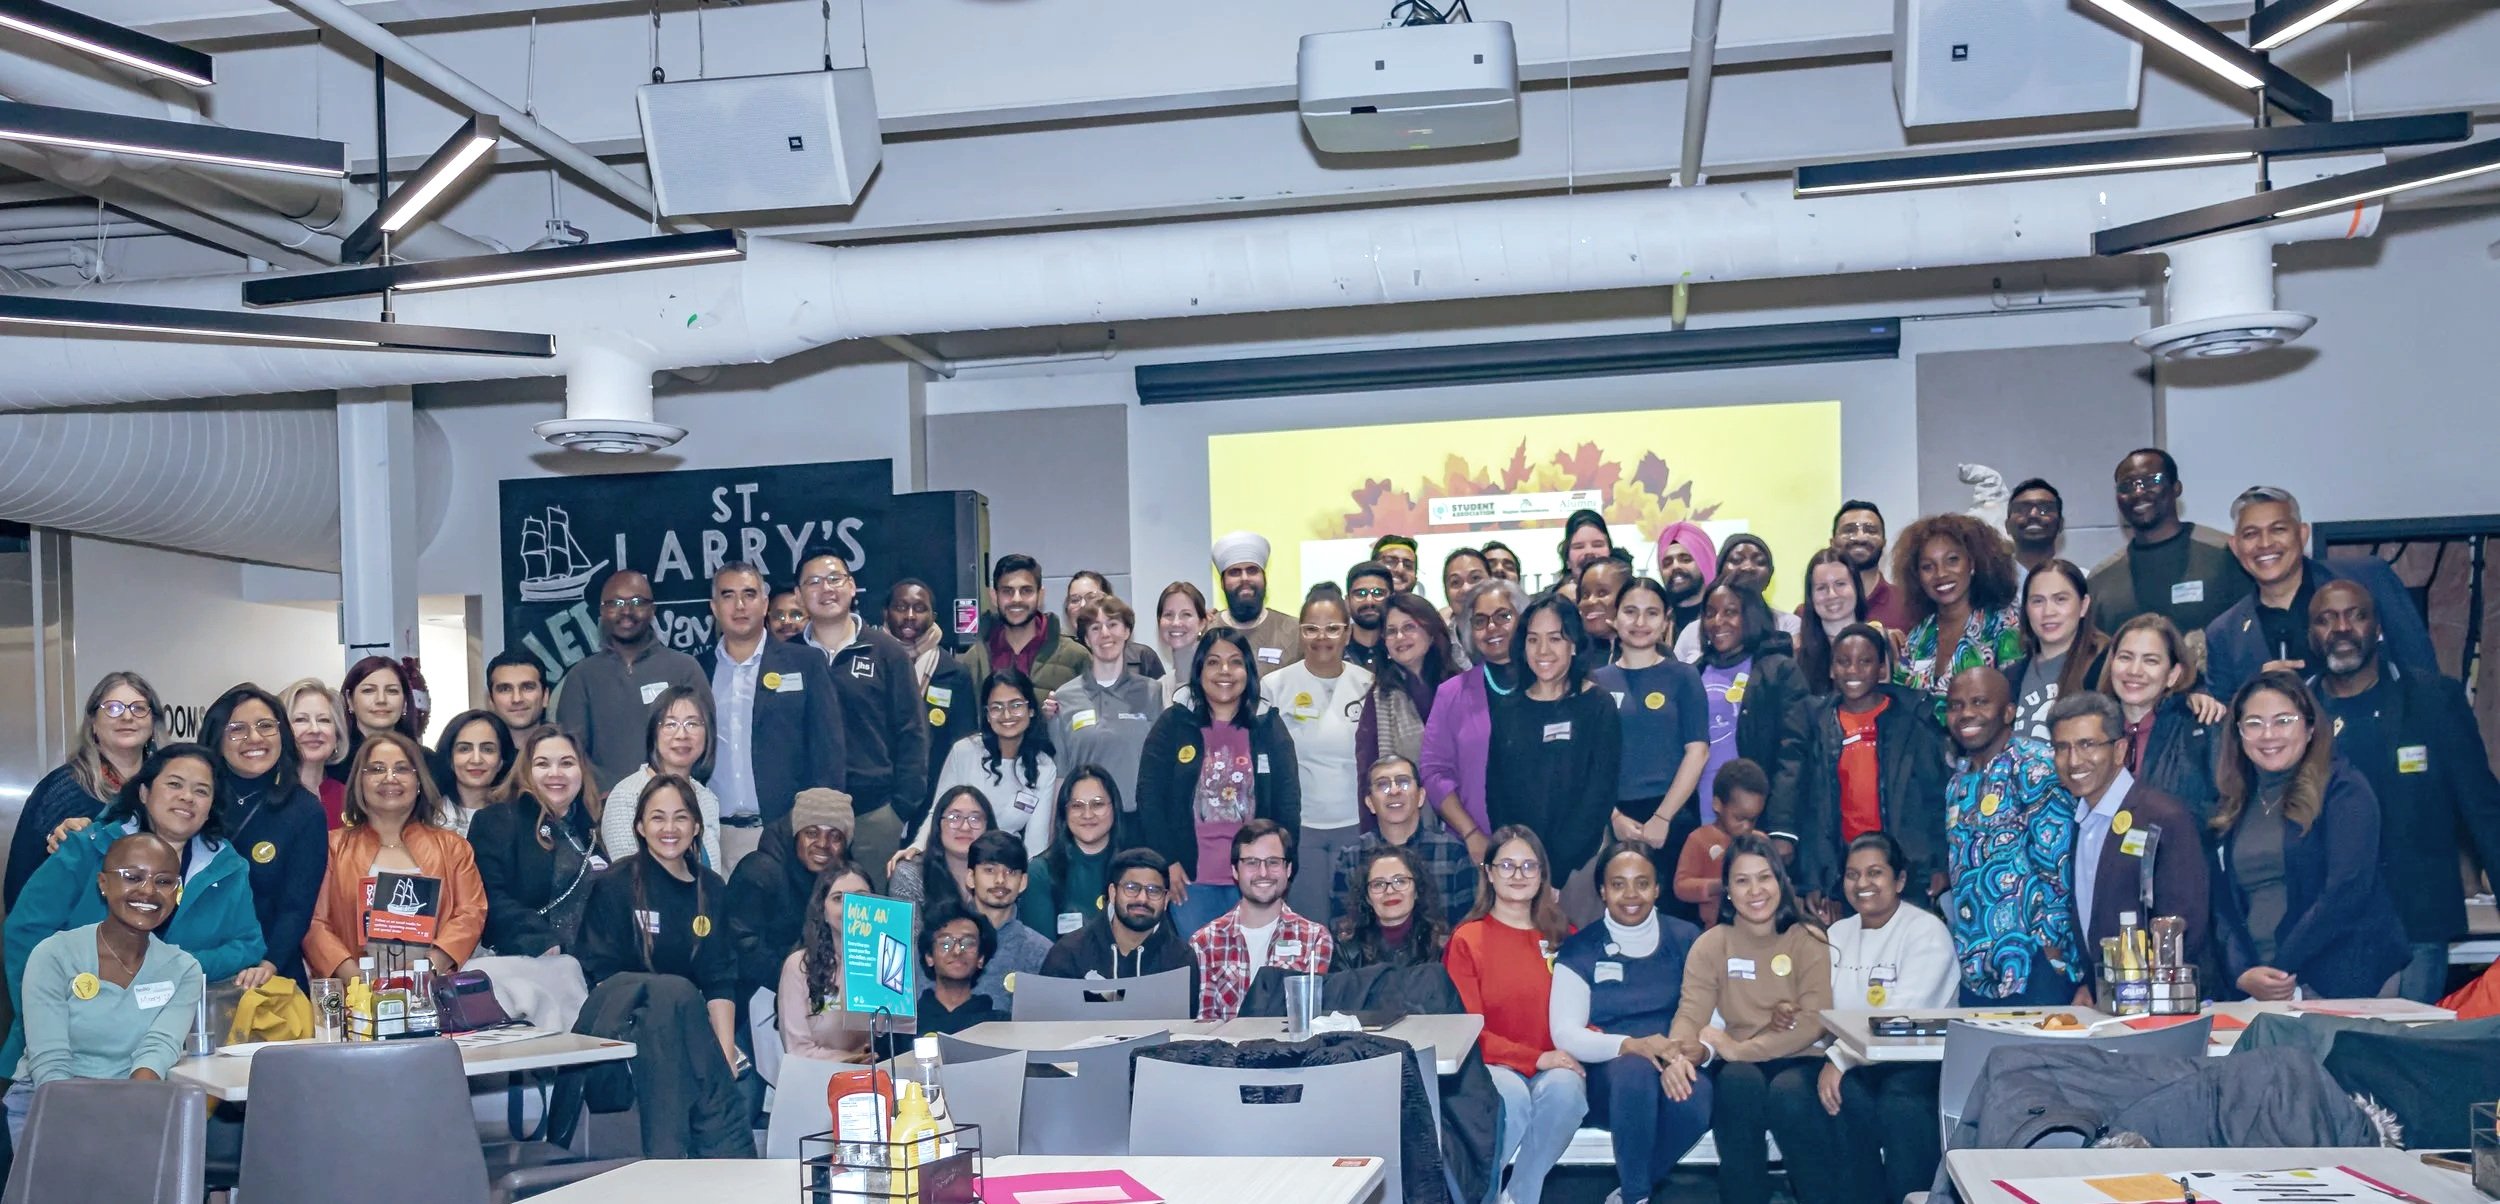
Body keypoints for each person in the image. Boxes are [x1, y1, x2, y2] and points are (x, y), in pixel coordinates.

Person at [4, 745, 269, 1081]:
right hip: (61, 1055)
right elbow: (25, 931)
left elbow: (248, 944)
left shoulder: (227, 867)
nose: (187, 797)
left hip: (170, 1058)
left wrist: (168, 967)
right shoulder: (89, 846)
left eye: (201, 791)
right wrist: (44, 1015)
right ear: (144, 792)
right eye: (174, 784)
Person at [2308, 581, 2500, 1001]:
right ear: (2311, 636)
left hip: (2416, 923)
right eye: (2326, 619)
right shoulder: (2295, 711)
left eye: (2355, 615)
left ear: (2377, 627)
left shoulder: (2434, 699)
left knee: (2405, 1053)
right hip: (2322, 928)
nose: (2341, 628)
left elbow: (2484, 810)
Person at [2209, 671, 2408, 1000]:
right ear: (2239, 734)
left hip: (2341, 977)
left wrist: (2283, 968)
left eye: (2283, 720)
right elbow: (2223, 906)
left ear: (2311, 726)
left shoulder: (2345, 790)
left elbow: (2346, 892)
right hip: (2262, 985)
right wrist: (2243, 971)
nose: (2268, 734)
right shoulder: (2234, 803)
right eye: (2254, 723)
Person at [1786, 832, 1957, 1204]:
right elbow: (1819, 1005)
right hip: (1854, 1062)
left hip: (1915, 1063)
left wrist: (1840, 1059)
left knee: (1899, 1107)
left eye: (1875, 873)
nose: (1862, 883)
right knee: (1790, 1091)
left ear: (1899, 880)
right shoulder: (1837, 933)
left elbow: (1900, 1020)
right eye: (1852, 874)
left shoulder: (1927, 932)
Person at [1659, 835, 1831, 1204]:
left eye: (1764, 877)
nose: (1755, 890)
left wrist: (1739, 1050)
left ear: (1780, 881)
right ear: (1728, 890)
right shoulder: (1711, 944)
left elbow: (1812, 1023)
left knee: (1791, 1095)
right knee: (1737, 1086)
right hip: (1740, 1064)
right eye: (1742, 880)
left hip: (1800, 1057)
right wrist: (1676, 1056)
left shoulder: (1808, 938)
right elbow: (1691, 1014)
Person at [5, 833, 206, 1144]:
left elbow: (157, 1050)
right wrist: (93, 1130)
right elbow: (50, 1062)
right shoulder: (55, 954)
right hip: (48, 1101)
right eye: (132, 877)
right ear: (103, 883)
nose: (148, 890)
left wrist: (125, 1116)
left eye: (164, 882)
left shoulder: (184, 969)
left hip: (135, 1101)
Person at [1549, 843, 1712, 1204]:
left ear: (1657, 888)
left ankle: (1630, 1192)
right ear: (1603, 891)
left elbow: (1710, 1014)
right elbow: (1564, 1032)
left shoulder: (1687, 939)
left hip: (1675, 1061)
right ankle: (1638, 1195)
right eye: (1618, 884)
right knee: (1634, 1071)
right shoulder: (1580, 949)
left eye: (1642, 883)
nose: (1631, 894)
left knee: (1696, 1097)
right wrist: (1631, 1045)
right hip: (1609, 1080)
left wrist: (1682, 1055)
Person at [1767, 623, 1952, 910]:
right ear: (1831, 670)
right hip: (1841, 870)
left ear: (1881, 669)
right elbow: (1804, 802)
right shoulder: (1814, 722)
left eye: (1865, 661)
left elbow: (1935, 793)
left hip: (1908, 868)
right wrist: (1814, 879)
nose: (1853, 670)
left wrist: (1939, 862)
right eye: (1843, 662)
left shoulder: (1912, 719)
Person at [1444, 826, 1584, 1204]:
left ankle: (1520, 1196)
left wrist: (1584, 1045)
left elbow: (1588, 1010)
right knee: (1512, 1098)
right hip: (1493, 1063)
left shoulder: (1564, 935)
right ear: (1488, 872)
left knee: (1567, 1091)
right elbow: (1468, 1030)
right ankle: (1479, 1196)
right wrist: (1534, 1057)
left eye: (1528, 866)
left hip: (1554, 1062)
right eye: (1506, 865)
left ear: (1542, 875)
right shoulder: (1468, 939)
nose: (1518, 875)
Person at [1136, 628, 1303, 935]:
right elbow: (1149, 797)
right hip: (1191, 880)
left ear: (1248, 671)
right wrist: (1166, 862)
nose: (1224, 671)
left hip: (1258, 879)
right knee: (1203, 973)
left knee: (1255, 972)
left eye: (1235, 662)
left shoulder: (1268, 725)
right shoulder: (1174, 723)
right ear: (1199, 670)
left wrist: (1283, 868)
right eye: (1213, 662)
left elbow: (1288, 804)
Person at [2204, 485, 2441, 701]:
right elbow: (2223, 728)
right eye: (2251, 534)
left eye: (2278, 529)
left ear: (2303, 534)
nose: (2265, 544)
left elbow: (2421, 668)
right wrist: (2257, 691)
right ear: (2235, 547)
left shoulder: (2368, 579)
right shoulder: (2224, 633)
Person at [577, 774, 741, 1076]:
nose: (669, 829)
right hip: (628, 1032)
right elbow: (602, 975)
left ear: (696, 828)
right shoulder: (615, 884)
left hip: (691, 1026)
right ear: (640, 826)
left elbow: (719, 981)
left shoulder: (712, 889)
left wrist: (726, 1055)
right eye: (657, 818)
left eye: (681, 818)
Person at [1942, 667, 2083, 1005]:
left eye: (1979, 702)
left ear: (2008, 712)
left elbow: (2059, 864)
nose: (1967, 714)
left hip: (2033, 961)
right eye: (1956, 706)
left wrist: (2052, 951)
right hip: (1976, 964)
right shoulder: (1957, 782)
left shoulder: (2035, 767)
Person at [2047, 693, 2209, 981]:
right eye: (2062, 747)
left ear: (2120, 750)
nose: (2073, 760)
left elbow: (2186, 920)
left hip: (2158, 1003)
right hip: (2107, 1000)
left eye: (2087, 744)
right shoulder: (2078, 821)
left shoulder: (2162, 816)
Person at [303, 731, 487, 981]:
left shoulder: (454, 847)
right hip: (353, 997)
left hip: (434, 992)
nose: (390, 778)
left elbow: (471, 913)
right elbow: (314, 922)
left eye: (402, 769)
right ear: (359, 781)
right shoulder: (332, 847)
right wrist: (356, 979)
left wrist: (431, 967)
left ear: (419, 781)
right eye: (376, 769)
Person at [794, 547, 929, 888]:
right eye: (814, 582)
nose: (826, 589)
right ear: (798, 595)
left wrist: (899, 809)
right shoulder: (787, 657)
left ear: (852, 587)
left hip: (874, 814)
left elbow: (912, 732)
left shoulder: (887, 652)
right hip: (805, 821)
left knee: (870, 918)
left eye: (835, 579)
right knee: (813, 916)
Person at [699, 562, 845, 871]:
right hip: (713, 835)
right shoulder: (697, 670)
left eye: (749, 594)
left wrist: (818, 829)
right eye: (728, 595)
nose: (740, 605)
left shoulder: (805, 663)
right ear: (713, 606)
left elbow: (828, 751)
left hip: (784, 833)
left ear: (765, 603)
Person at [1486, 594, 1620, 903]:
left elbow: (1599, 794)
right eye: (1533, 640)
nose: (1543, 651)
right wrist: (1514, 858)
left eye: (1555, 639)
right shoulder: (1509, 707)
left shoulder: (1598, 705)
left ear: (1573, 644)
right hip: (1518, 868)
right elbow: (1497, 792)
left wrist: (1555, 870)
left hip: (1579, 865)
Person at [197, 684, 327, 985]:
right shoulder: (196, 799)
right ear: (216, 737)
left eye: (266, 726)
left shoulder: (304, 811)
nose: (254, 738)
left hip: (267, 973)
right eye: (237, 729)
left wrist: (270, 963)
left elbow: (297, 904)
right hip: (194, 963)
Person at [1594, 577, 1710, 902]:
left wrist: (1662, 818)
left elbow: (1698, 751)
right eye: (1630, 612)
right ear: (1614, 619)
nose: (1640, 622)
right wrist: (1614, 817)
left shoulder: (1684, 676)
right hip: (1615, 819)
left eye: (1652, 613)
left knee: (1677, 920)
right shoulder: (1596, 683)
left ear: (1666, 620)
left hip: (1674, 816)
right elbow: (1590, 762)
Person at [7, 672, 161, 908]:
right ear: (93, 724)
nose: (128, 716)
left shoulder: (167, 787)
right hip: (76, 932)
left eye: (139, 708)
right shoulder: (61, 788)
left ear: (153, 723)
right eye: (113, 708)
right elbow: (24, 876)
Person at [1267, 588, 1374, 919]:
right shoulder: (1274, 686)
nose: (1321, 637)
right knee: (1309, 926)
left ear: (1347, 632)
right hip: (1301, 828)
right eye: (1311, 628)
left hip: (1357, 825)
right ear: (1300, 632)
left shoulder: (1368, 684)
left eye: (1332, 628)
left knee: (1355, 925)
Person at [557, 569, 708, 788]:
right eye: (615, 603)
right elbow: (570, 751)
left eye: (637, 602)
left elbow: (705, 742)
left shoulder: (685, 669)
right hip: (603, 808)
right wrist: (613, 795)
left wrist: (670, 792)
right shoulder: (582, 676)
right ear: (601, 610)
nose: (626, 611)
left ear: (652, 609)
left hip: (676, 806)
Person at [471, 725, 605, 956]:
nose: (556, 773)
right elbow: (489, 898)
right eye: (543, 764)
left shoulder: (595, 827)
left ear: (582, 771)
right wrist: (540, 940)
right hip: (531, 960)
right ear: (526, 771)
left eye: (567, 763)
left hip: (596, 962)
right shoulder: (497, 821)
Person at [2088, 449, 2250, 635]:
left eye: (2152, 481)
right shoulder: (2102, 580)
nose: (2138, 492)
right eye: (2127, 486)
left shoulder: (2224, 554)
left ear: (2176, 487)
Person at [1422, 578, 1528, 860]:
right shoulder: (1452, 693)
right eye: (1480, 621)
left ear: (1524, 619)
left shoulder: (1550, 684)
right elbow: (1435, 772)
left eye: (1503, 616)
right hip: (1475, 850)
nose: (1491, 628)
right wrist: (1470, 833)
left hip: (1546, 848)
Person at [1188, 820, 1333, 1021]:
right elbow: (1204, 1025)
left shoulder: (1315, 939)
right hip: (1225, 1050)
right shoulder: (1205, 942)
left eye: (1273, 862)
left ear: (1288, 869)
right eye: (1252, 863)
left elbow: (1312, 1019)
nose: (1263, 873)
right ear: (1235, 871)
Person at [727, 787, 853, 1015]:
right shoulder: (759, 872)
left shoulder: (848, 883)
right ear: (795, 834)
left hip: (822, 995)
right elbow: (743, 950)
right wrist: (799, 984)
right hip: (759, 998)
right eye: (812, 833)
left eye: (835, 836)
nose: (823, 844)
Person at [1692, 581, 1809, 819]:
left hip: (1760, 816)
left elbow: (1793, 752)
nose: (1717, 621)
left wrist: (1781, 825)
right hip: (1700, 812)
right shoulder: (1694, 673)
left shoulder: (1779, 670)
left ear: (1751, 616)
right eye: (1710, 613)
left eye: (1730, 612)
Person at [1892, 513, 2023, 720]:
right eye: (1928, 567)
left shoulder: (2003, 625)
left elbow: (2015, 700)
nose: (1941, 573)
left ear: (1972, 564)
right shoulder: (1918, 636)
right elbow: (1899, 705)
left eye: (1952, 560)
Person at [1328, 755, 1476, 929]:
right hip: (1370, 954)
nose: (1394, 791)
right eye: (1382, 785)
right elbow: (1343, 929)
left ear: (1421, 796)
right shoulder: (1352, 857)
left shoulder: (1452, 852)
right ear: (1370, 803)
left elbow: (1467, 929)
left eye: (1403, 782)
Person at [2102, 614, 2224, 824]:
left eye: (2151, 660)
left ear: (2172, 674)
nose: (2134, 671)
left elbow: (2223, 809)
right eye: (2125, 657)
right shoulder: (2094, 728)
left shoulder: (2200, 727)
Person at [1038, 847, 1199, 1003]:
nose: (1142, 899)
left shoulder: (1180, 960)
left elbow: (1182, 1024)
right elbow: (1051, 1019)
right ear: (1113, 893)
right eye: (1131, 888)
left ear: (1165, 900)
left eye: (1153, 890)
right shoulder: (1070, 953)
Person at [1049, 595, 1163, 812]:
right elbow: (1060, 776)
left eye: (1113, 624)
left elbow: (1162, 766)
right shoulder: (1064, 698)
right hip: (1087, 820)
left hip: (1139, 820)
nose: (1105, 634)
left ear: (1127, 631)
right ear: (1085, 639)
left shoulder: (1152, 692)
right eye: (1095, 628)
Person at [924, 670, 1058, 855]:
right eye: (996, 707)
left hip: (1005, 864)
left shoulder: (1044, 766)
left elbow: (1036, 842)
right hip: (957, 856)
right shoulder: (964, 751)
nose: (1007, 715)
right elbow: (938, 813)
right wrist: (916, 847)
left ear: (1032, 710)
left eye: (1016, 705)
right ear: (987, 715)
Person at [599, 686, 724, 870]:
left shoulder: (706, 799)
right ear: (653, 734)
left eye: (692, 724)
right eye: (670, 724)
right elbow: (628, 879)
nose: (682, 735)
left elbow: (713, 876)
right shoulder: (627, 796)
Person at [884, 579, 979, 809]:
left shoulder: (954, 672)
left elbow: (964, 742)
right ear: (886, 613)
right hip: (880, 794)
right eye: (900, 607)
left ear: (933, 616)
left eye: (919, 608)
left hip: (936, 794)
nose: (909, 615)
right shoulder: (871, 663)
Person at [777, 866, 879, 1064]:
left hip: (881, 1075)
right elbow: (797, 1050)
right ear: (822, 911)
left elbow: (898, 1036)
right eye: (838, 899)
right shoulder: (799, 966)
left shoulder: (889, 961)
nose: (851, 907)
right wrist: (852, 1060)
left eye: (860, 897)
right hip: (818, 1079)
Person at [2001, 559, 2111, 743]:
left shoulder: (2106, 666)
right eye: (2037, 601)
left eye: (2060, 599)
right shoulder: (2011, 678)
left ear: (2083, 605)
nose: (2048, 611)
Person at [1356, 593, 1454, 800]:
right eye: (1391, 632)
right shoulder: (1380, 698)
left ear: (1430, 632)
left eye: (1409, 627)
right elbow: (1368, 773)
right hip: (1404, 820)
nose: (1400, 637)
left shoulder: (1461, 688)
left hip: (1467, 814)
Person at [1021, 768, 1130, 938]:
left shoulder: (1136, 869)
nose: (1087, 814)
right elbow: (1041, 952)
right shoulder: (1040, 872)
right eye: (1077, 806)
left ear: (1114, 808)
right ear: (1065, 813)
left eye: (1097, 804)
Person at [961, 553, 1090, 692]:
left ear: (1040, 596)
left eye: (1026, 591)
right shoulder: (974, 661)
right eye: (1007, 591)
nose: (1017, 599)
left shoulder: (1075, 657)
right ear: (994, 597)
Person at [963, 831, 1055, 1011]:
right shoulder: (943, 943)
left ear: (1023, 882)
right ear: (971, 878)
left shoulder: (1041, 952)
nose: (1000, 880)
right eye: (989, 870)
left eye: (1010, 872)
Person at [1672, 535, 1802, 662]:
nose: (1747, 567)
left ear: (1770, 575)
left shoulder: (1790, 625)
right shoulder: (1692, 632)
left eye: (1760, 562)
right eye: (1736, 560)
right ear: (1720, 571)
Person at [1673, 759, 1767, 928]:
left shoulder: (1760, 841)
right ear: (1717, 804)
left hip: (1757, 926)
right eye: (1739, 818)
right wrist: (1718, 886)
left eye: (1753, 820)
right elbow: (1681, 886)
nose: (1746, 826)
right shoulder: (1699, 839)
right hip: (1715, 930)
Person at [1331, 844, 1453, 972]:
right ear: (1367, 897)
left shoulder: (1442, 946)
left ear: (1417, 890)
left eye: (1400, 881)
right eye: (1378, 884)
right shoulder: (1347, 949)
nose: (1389, 891)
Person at [889, 786, 995, 916]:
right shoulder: (911, 873)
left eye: (975, 819)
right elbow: (908, 935)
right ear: (938, 825)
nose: (965, 827)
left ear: (988, 827)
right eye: (954, 817)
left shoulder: (1002, 875)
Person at [1208, 532, 1303, 670]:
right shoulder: (1208, 630)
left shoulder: (1294, 630)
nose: (1245, 578)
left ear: (1264, 578)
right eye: (1235, 572)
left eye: (1252, 570)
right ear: (1222, 583)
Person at [914, 908, 1003, 1038]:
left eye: (968, 944)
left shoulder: (999, 1024)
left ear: (980, 958)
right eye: (945, 944)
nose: (957, 951)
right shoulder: (906, 1026)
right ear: (929, 957)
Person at [1831, 501, 1915, 632]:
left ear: (1884, 543)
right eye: (1849, 530)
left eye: (1870, 530)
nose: (1860, 538)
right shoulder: (1812, 610)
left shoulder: (1909, 605)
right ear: (1833, 543)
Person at [1796, 547, 1869, 697]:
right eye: (1821, 588)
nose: (1832, 595)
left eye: (1840, 584)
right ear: (1811, 597)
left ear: (1856, 587)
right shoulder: (1796, 653)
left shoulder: (1881, 643)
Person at [279, 677, 350, 829]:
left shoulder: (351, 798)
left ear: (337, 734)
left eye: (324, 720)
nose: (314, 729)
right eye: (300, 720)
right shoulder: (268, 797)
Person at [428, 709, 512, 837]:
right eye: (464, 749)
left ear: (501, 760)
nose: (476, 760)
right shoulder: (427, 813)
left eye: (488, 749)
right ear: (450, 758)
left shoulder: (515, 816)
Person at [1652, 521, 1717, 639]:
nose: (1675, 566)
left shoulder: (1720, 618)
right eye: (1667, 563)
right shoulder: (1655, 621)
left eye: (1686, 559)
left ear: (1704, 563)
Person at [1152, 582, 1211, 709]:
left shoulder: (1216, 681)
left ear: (1202, 623)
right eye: (1168, 615)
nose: (1176, 622)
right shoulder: (1160, 688)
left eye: (1186, 614)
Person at [1575, 555, 1633, 663]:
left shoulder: (1651, 653)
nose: (1590, 601)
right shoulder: (1572, 658)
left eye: (1602, 593)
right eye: (1585, 595)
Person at [1343, 561, 1395, 671]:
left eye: (1378, 593)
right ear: (1347, 601)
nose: (1369, 601)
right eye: (1360, 594)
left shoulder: (1403, 648)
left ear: (1392, 598)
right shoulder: (1335, 651)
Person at [2005, 478, 2065, 572]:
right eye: (2022, 509)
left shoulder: (2081, 581)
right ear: (2007, 526)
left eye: (2044, 509)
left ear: (2061, 524)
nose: (2033, 515)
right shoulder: (1988, 582)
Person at [485, 649, 551, 732]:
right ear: (491, 700)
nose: (517, 699)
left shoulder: (567, 744)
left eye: (527, 688)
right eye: (505, 689)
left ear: (545, 696)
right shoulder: (476, 743)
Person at [1556, 509, 1616, 593]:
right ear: (1567, 560)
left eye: (1597, 545)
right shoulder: (1547, 603)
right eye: (1579, 547)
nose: (1589, 552)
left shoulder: (1629, 596)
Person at [1439, 548, 1489, 627]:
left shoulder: (1513, 629)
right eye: (1455, 582)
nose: (1466, 589)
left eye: (1475, 578)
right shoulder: (1438, 636)